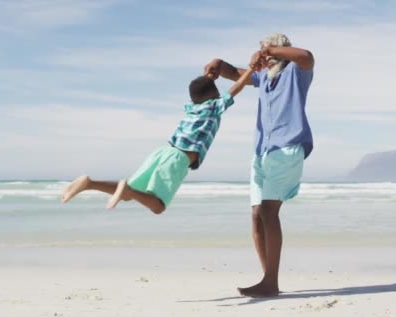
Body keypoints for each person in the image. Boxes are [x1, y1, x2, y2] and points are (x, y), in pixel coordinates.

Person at [204, 33, 314, 297]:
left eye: (267, 49)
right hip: (261, 151)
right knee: (256, 215)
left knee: (268, 211)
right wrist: (218, 63)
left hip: (286, 148)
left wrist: (271, 50)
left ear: (279, 50)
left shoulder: (296, 73)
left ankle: (270, 282)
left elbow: (307, 57)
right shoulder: (263, 76)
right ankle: (268, 280)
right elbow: (235, 73)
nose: (262, 54)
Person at [61, 68, 254, 213]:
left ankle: (89, 183)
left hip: (163, 152)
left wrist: (210, 77)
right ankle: (124, 187)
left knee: (131, 195)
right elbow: (235, 89)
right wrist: (252, 69)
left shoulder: (192, 107)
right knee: (158, 206)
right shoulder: (214, 107)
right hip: (178, 159)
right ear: (214, 94)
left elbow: (203, 89)